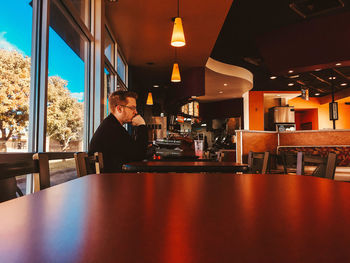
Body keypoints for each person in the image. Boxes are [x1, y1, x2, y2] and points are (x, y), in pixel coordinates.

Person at [88, 90, 148, 172]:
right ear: (119, 109)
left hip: (107, 180)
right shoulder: (112, 129)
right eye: (132, 108)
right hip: (110, 182)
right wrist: (142, 125)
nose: (136, 112)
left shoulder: (111, 125)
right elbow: (139, 155)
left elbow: (135, 152)